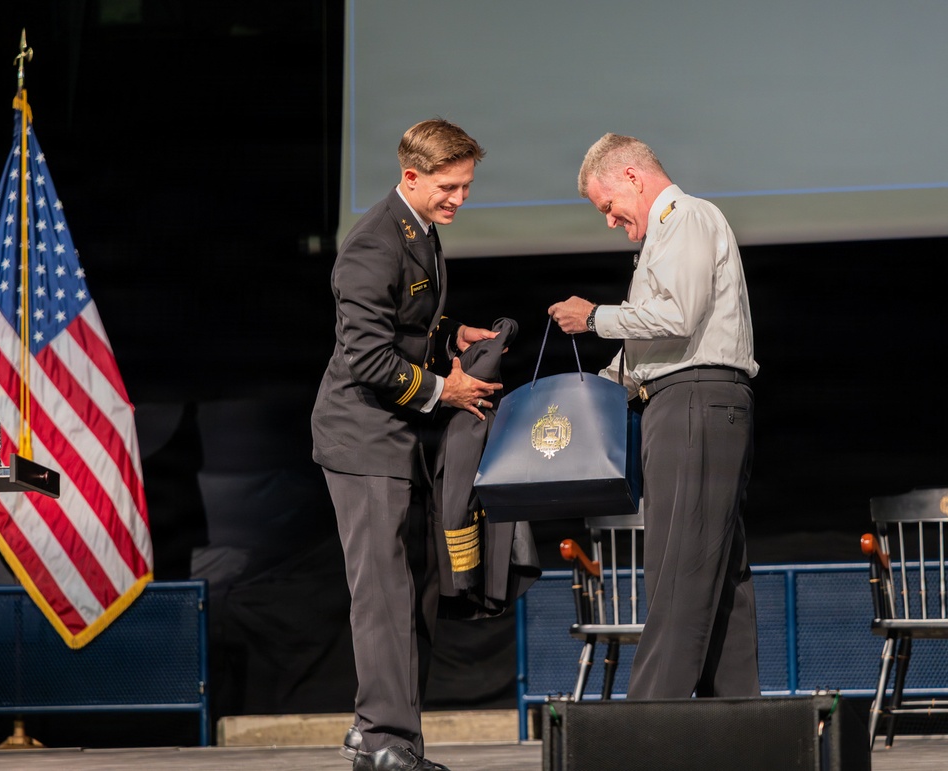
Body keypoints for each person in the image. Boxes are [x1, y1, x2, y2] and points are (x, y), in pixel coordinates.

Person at [311, 118, 502, 771]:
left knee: (415, 591)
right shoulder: (372, 241)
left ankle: (387, 736)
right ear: (412, 176)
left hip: (399, 436)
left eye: (466, 187)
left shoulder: (419, 230)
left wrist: (450, 339)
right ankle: (383, 737)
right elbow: (366, 356)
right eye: (449, 187)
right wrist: (443, 390)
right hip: (362, 437)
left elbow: (407, 325)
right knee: (385, 592)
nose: (459, 199)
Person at [549, 133, 760, 700]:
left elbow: (677, 314)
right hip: (689, 399)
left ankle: (649, 722)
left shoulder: (688, 217)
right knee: (719, 573)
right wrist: (585, 394)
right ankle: (738, 720)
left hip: (694, 401)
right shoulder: (664, 237)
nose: (611, 221)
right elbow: (648, 346)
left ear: (632, 178)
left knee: (680, 563)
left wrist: (593, 317)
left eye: (608, 206)